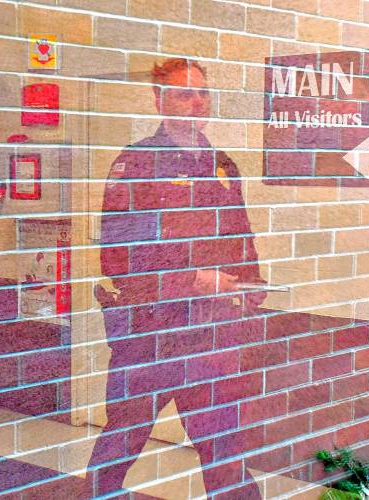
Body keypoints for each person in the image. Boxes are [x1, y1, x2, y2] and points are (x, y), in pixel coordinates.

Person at [88, 58, 266, 496]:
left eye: (203, 93)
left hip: (208, 331)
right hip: (152, 331)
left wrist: (252, 285)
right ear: (159, 101)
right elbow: (119, 256)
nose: (197, 102)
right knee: (124, 436)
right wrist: (192, 281)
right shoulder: (138, 164)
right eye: (185, 93)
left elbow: (240, 236)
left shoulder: (221, 164)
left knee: (223, 444)